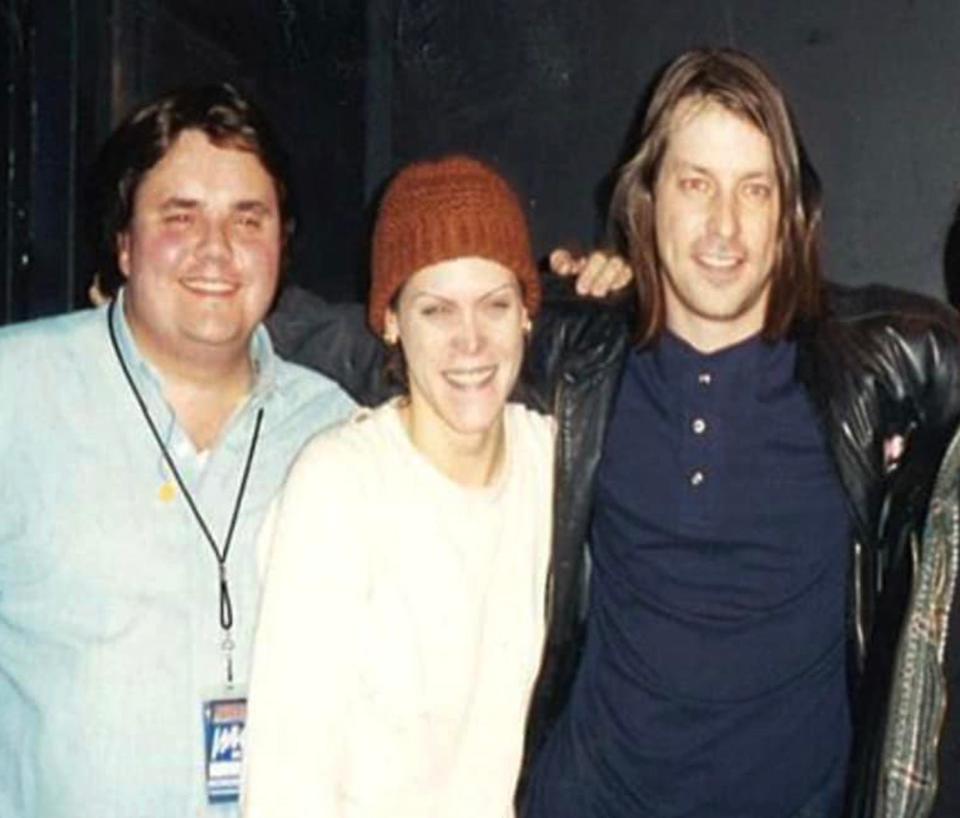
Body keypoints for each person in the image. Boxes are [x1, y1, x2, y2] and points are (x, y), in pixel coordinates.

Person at [505, 49, 960, 818]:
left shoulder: (880, 366)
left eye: (755, 189)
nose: (724, 225)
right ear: (646, 200)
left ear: (789, 214)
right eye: (695, 184)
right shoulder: (577, 352)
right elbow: (407, 332)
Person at [0, 83, 356, 817]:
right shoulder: (17, 394)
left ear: (282, 245)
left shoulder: (337, 431)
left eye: (247, 219)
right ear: (124, 244)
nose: (216, 251)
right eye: (179, 216)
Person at [241, 155, 556, 818]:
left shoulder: (551, 459)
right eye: (436, 310)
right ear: (389, 321)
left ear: (527, 313)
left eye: (494, 305)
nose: (470, 341)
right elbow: (285, 780)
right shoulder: (340, 485)